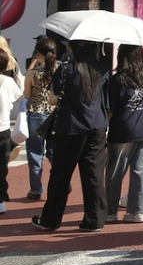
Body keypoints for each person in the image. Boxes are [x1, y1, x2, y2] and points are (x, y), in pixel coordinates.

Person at [33, 40, 110, 232]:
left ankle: (50, 220)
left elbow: (52, 98)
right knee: (93, 175)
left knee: (61, 175)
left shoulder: (66, 69)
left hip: (69, 127)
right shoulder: (102, 68)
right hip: (96, 126)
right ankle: (95, 219)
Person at [105, 44, 143, 223]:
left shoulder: (116, 79)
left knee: (115, 172)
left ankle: (109, 211)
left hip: (122, 130)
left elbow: (110, 109)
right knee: (142, 171)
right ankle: (138, 211)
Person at [21, 36, 57, 200]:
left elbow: (27, 94)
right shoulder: (60, 70)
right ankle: (58, 183)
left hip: (36, 114)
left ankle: (36, 188)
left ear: (38, 53)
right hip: (55, 115)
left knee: (35, 153)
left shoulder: (31, 73)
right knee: (54, 152)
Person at [0, 47, 20, 214]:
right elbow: (19, 96)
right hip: (4, 129)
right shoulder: (8, 82)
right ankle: (0, 201)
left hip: (4, 129)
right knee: (2, 167)